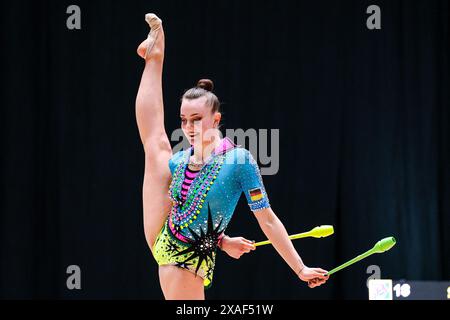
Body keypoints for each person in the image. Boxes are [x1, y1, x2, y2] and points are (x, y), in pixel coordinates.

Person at [135, 13, 329, 300]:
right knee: (156, 145)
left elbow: (268, 220)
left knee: (158, 147)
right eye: (184, 120)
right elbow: (153, 134)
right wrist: (221, 241)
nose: (188, 128)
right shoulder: (180, 161)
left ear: (216, 120)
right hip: (179, 252)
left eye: (197, 119)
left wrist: (299, 269)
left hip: (188, 255)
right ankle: (155, 57)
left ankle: (156, 55)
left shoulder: (239, 162)